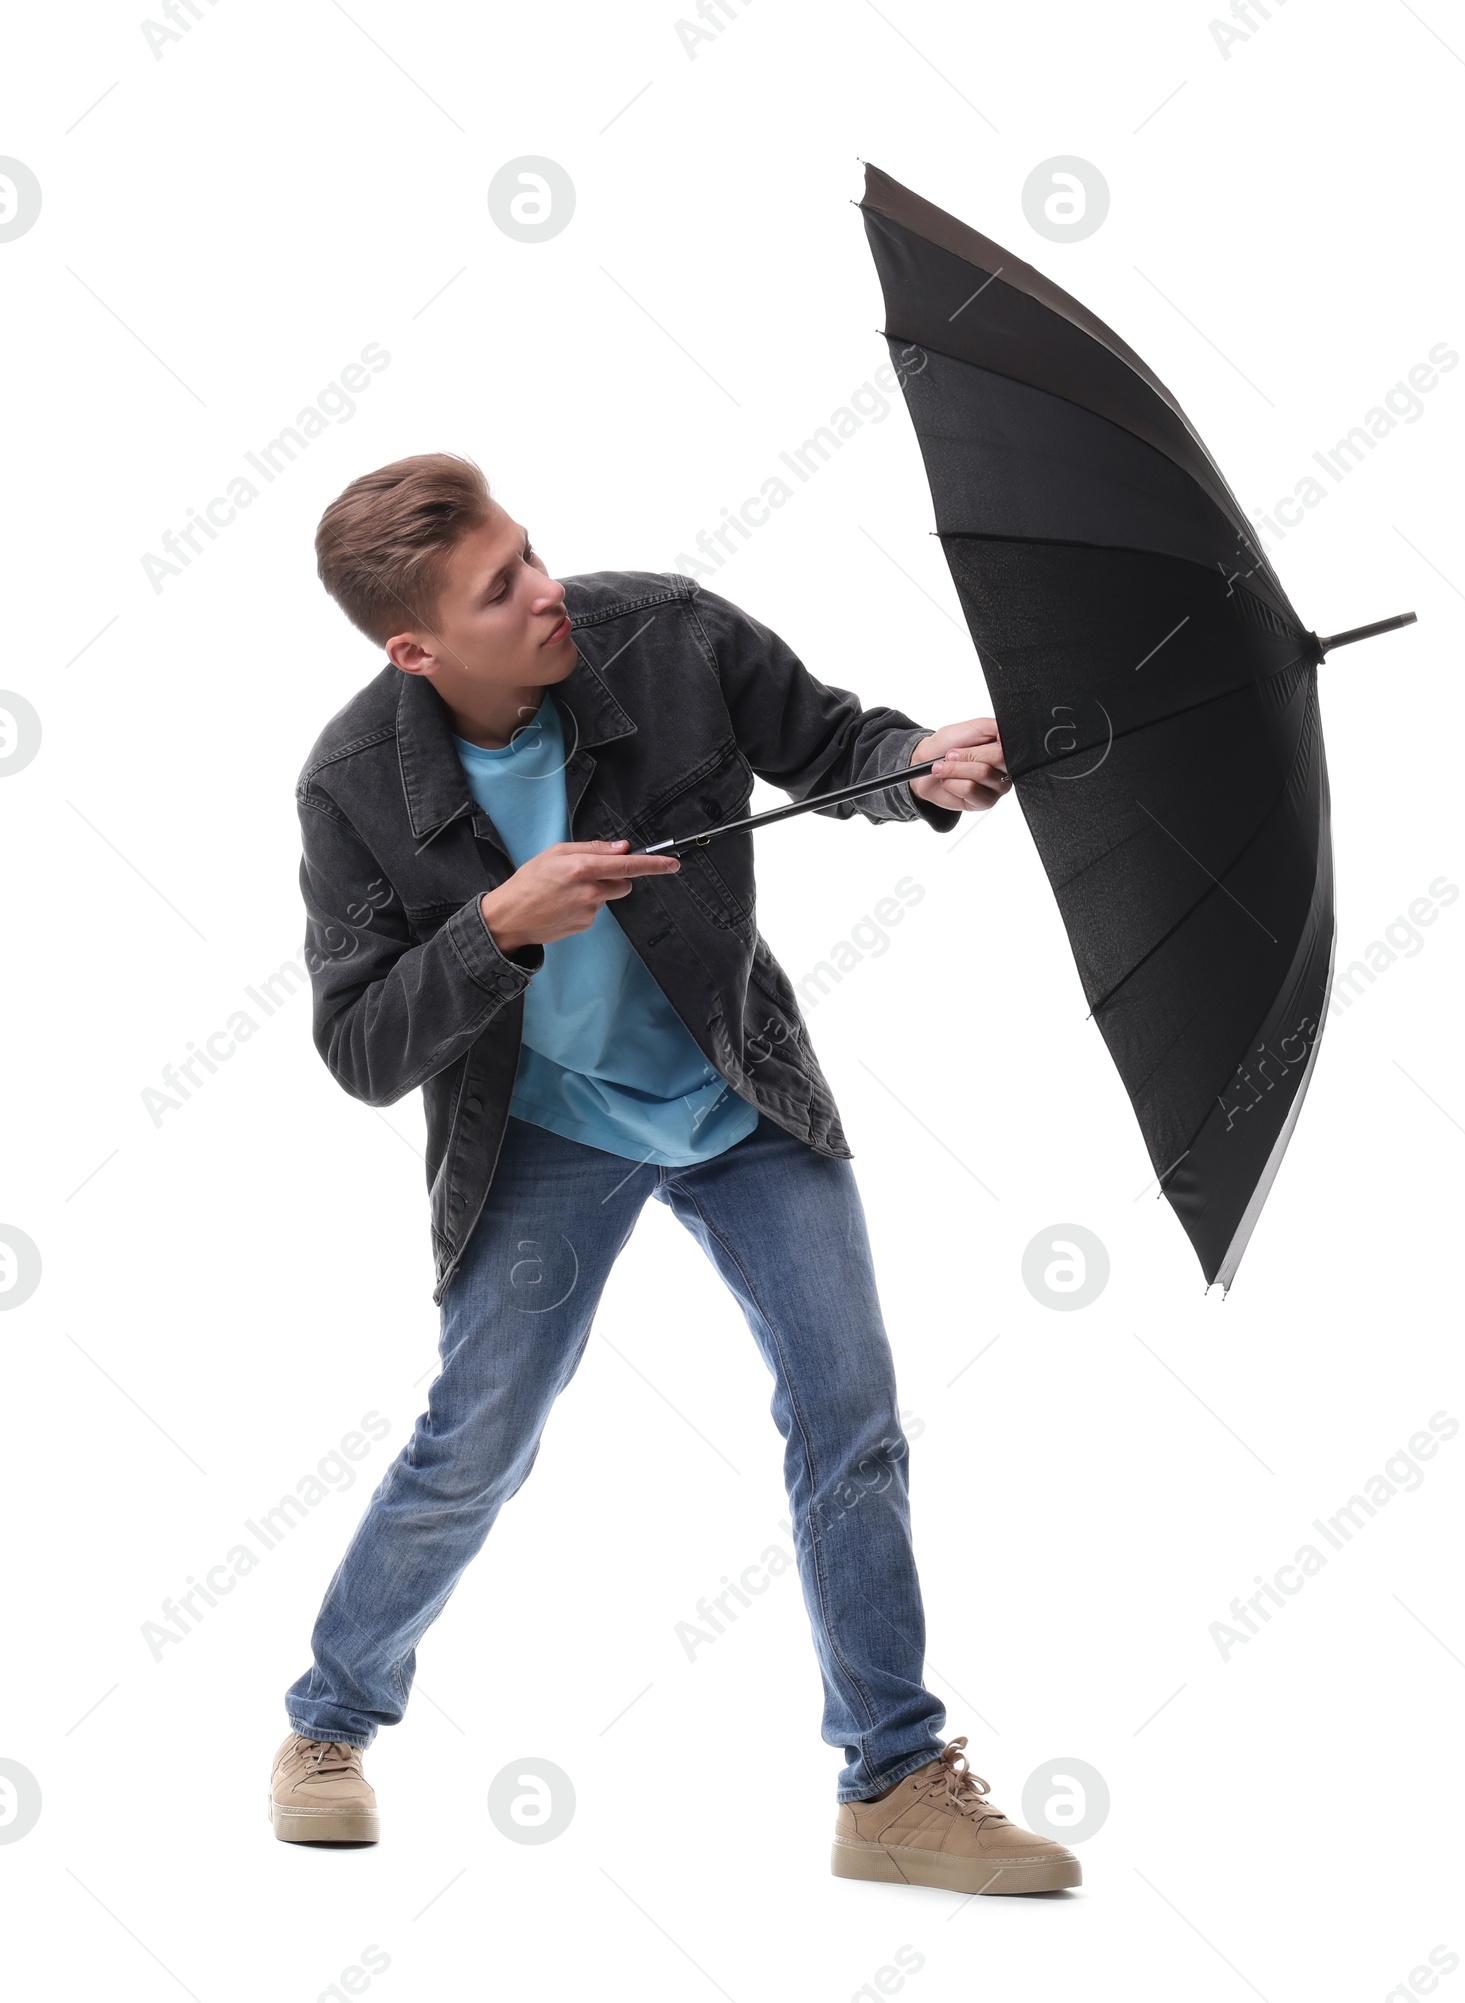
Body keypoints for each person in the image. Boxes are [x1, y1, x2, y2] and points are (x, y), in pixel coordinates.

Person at [270, 451, 1080, 1895]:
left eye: (532, 552)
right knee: (477, 1446)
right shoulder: (349, 786)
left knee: (852, 1423)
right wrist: (498, 926)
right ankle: (327, 1728)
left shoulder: (666, 633)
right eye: (499, 588)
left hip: (738, 1092)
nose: (545, 593)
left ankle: (892, 1780)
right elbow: (358, 1048)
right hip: (546, 1133)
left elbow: (837, 744)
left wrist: (920, 770)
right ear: (416, 649)